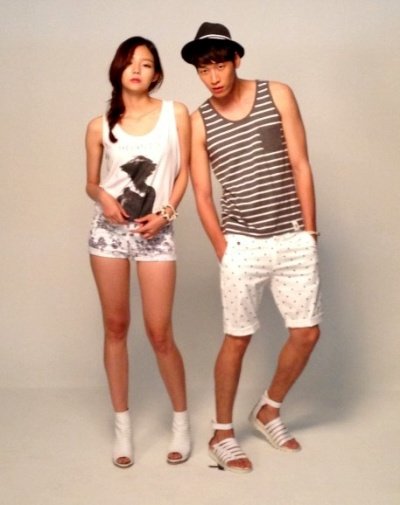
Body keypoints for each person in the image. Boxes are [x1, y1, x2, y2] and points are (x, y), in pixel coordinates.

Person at [181, 22, 322, 473]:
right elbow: (202, 194)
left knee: (307, 333)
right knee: (238, 338)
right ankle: (222, 433)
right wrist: (222, 248)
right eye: (204, 70)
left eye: (219, 65)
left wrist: (310, 232)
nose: (213, 77)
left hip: (292, 236)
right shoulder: (198, 121)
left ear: (236, 59)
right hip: (241, 242)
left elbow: (300, 163)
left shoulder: (277, 94)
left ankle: (268, 410)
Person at [85, 36, 191, 468]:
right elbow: (91, 182)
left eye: (146, 64)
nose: (136, 69)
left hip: (156, 232)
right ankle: (123, 428)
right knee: (115, 327)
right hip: (108, 234)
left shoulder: (175, 114)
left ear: (156, 74)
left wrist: (166, 213)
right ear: (118, 69)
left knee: (159, 332)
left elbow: (184, 173)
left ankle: (181, 423)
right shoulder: (98, 126)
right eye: (129, 62)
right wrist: (102, 198)